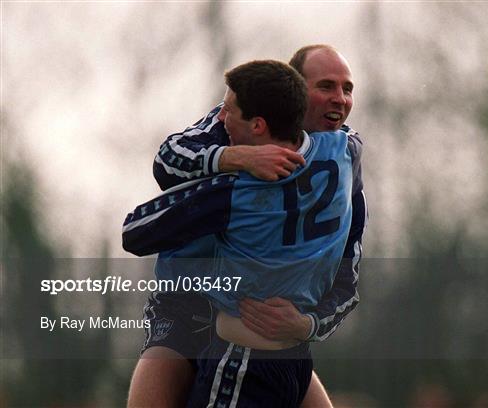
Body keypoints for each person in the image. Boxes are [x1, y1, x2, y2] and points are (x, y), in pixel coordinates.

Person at [128, 45, 367, 407]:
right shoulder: (234, 120)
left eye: (347, 89)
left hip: (262, 339)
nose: (339, 99)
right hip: (186, 312)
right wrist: (236, 156)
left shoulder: (343, 160)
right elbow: (166, 162)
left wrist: (307, 324)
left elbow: (347, 281)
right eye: (326, 86)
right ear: (294, 90)